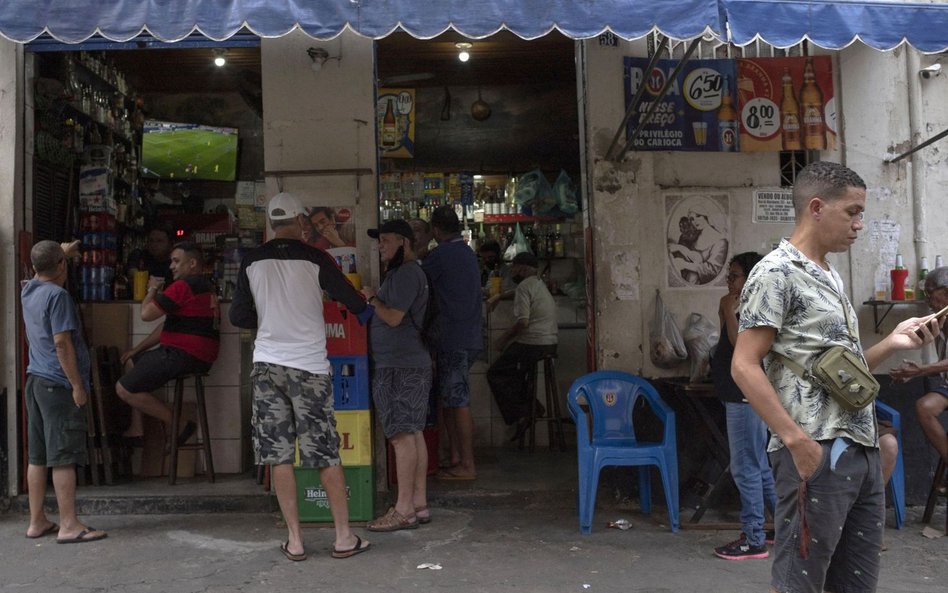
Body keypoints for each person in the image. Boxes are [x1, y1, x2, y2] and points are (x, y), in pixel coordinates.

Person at [731, 161, 940, 593]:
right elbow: (744, 364)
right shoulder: (774, 274)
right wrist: (796, 441)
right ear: (816, 208)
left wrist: (892, 343)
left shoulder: (828, 274)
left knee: (856, 584)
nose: (859, 224)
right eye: (852, 212)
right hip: (815, 450)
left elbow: (837, 368)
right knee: (800, 582)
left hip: (859, 448)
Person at [229, 192, 373, 562]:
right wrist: (366, 300)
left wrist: (269, 317)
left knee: (279, 457)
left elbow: (238, 317)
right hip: (309, 368)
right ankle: (343, 537)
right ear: (300, 221)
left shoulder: (251, 261)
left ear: (271, 223)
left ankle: (295, 540)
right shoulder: (317, 258)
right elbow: (353, 303)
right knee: (325, 454)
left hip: (267, 367)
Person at [21, 240, 107, 543]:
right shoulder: (58, 297)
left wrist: (60, 254)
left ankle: (37, 521)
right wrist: (77, 386)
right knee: (63, 456)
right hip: (58, 384)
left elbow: (40, 266)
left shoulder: (28, 290)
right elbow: (62, 343)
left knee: (38, 456)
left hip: (34, 382)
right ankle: (69, 525)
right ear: (61, 267)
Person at [361, 219, 432, 530]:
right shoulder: (407, 273)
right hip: (410, 362)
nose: (381, 246)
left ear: (404, 242)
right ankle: (418, 504)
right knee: (413, 432)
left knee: (401, 436)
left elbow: (392, 318)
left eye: (386, 240)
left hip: (399, 365)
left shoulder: (405, 274)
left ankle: (403, 509)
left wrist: (371, 298)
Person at [115, 242, 219, 446]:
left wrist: (152, 289)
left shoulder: (183, 286)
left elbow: (146, 314)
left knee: (123, 389)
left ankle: (180, 424)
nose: (171, 266)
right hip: (199, 356)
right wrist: (137, 350)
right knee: (131, 362)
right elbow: (167, 326)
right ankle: (137, 430)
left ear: (192, 263)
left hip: (183, 354)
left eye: (176, 261)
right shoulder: (206, 286)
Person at [709, 251, 776, 560]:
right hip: (741, 394)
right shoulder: (743, 303)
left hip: (744, 396)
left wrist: (727, 311)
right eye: (729, 276)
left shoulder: (753, 306)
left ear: (752, 277)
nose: (729, 282)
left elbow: (742, 348)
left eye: (734, 275)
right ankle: (784, 525)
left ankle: (753, 538)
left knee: (745, 467)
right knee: (758, 465)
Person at [422, 205, 482, 481]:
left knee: (458, 401)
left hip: (452, 338)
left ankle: (467, 465)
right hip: (468, 335)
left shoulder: (440, 255)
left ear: (435, 230)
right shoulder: (467, 253)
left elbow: (418, 281)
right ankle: (456, 458)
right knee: (450, 399)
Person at [486, 252, 558, 442]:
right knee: (517, 373)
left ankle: (525, 412)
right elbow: (519, 291)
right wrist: (500, 295)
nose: (512, 271)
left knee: (495, 372)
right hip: (549, 344)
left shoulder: (524, 287)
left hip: (533, 344)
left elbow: (523, 323)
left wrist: (502, 339)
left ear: (523, 268)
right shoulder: (537, 283)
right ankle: (532, 407)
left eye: (515, 267)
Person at [890, 265, 948, 493]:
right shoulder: (940, 321)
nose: (930, 303)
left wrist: (921, 370)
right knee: (924, 407)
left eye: (933, 296)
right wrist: (908, 373)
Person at [668, 209, 728, 285]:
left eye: (698, 216)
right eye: (692, 219)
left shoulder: (720, 241)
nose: (695, 221)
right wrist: (680, 249)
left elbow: (713, 271)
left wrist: (684, 264)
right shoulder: (693, 237)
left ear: (705, 216)